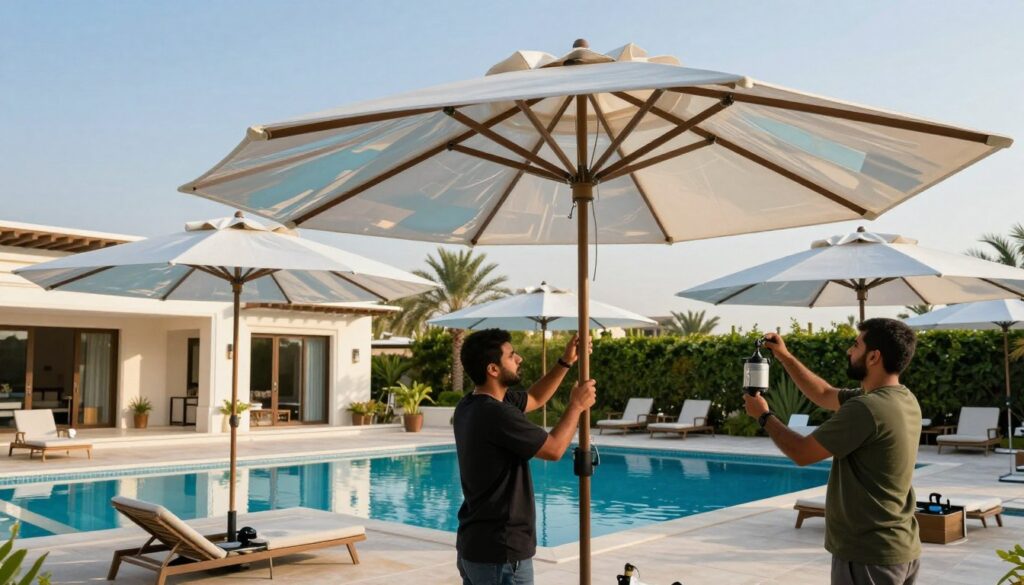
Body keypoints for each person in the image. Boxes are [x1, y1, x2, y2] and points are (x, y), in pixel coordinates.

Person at [743, 318, 922, 585]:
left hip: (867, 555)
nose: (849, 351)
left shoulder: (867, 409)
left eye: (856, 344)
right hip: (899, 548)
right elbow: (824, 393)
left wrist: (764, 416)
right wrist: (784, 356)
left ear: (874, 356)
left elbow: (803, 453)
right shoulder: (901, 398)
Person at [454, 329, 596, 585]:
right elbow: (553, 450)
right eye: (511, 355)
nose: (519, 359)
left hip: (475, 546)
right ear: (493, 369)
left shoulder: (470, 404)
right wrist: (576, 406)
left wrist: (566, 362)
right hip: (502, 553)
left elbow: (535, 398)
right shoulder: (496, 415)